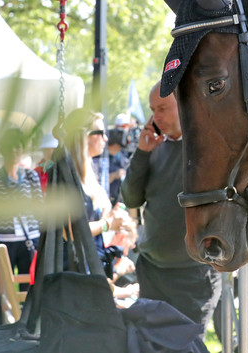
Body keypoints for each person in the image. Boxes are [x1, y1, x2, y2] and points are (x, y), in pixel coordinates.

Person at [121, 81, 222, 336]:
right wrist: (142, 153)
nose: (156, 117)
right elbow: (131, 198)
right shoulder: (152, 148)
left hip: (193, 275)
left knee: (187, 345)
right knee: (152, 344)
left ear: (184, 104)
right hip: (153, 270)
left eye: (163, 108)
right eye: (153, 110)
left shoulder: (209, 146)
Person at [0, 128, 44, 325]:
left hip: (28, 241)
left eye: (18, 146)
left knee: (30, 292)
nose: (15, 150)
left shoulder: (31, 177)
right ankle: (1, 332)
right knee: (3, 294)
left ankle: (30, 330)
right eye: (11, 146)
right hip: (2, 242)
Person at [61, 108, 134, 280]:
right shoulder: (67, 175)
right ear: (83, 136)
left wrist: (115, 221)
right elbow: (71, 231)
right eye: (101, 133)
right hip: (75, 276)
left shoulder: (84, 171)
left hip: (87, 270)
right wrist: (108, 224)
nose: (106, 138)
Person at [106, 128, 130, 207]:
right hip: (107, 199)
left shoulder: (120, 155)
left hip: (119, 198)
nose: (119, 148)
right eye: (118, 145)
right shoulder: (101, 158)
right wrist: (114, 175)